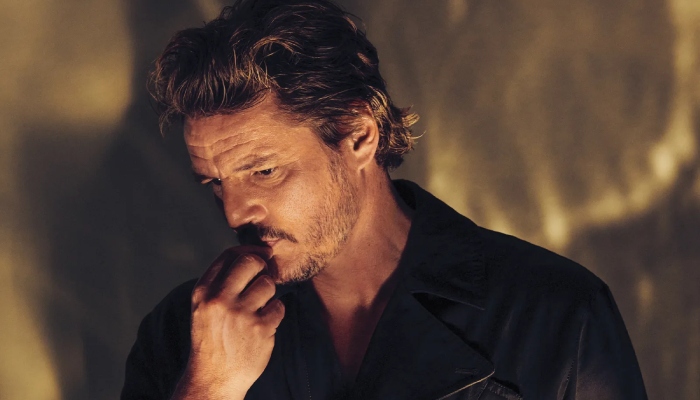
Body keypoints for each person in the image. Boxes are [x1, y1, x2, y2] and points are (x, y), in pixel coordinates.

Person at [121, 0, 648, 399]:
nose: (236, 211)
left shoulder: (555, 314)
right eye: (215, 182)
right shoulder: (182, 336)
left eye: (264, 171)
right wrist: (208, 387)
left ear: (358, 135)